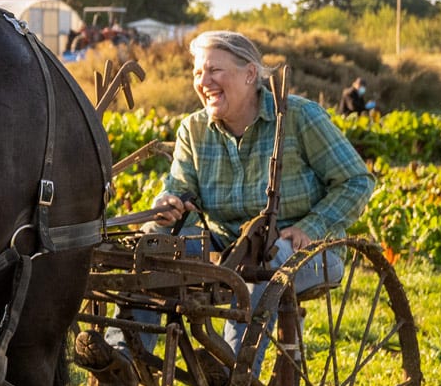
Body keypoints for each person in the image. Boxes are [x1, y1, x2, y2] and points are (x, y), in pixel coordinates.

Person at [149, 31, 378, 280]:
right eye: (197, 73)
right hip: (225, 244)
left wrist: (311, 227)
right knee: (152, 242)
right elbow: (181, 193)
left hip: (302, 249)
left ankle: (245, 319)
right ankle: (137, 319)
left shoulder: (299, 117)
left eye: (214, 70)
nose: (203, 82)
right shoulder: (193, 129)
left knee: (259, 268)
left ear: (250, 74)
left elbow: (356, 181)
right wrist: (169, 204)